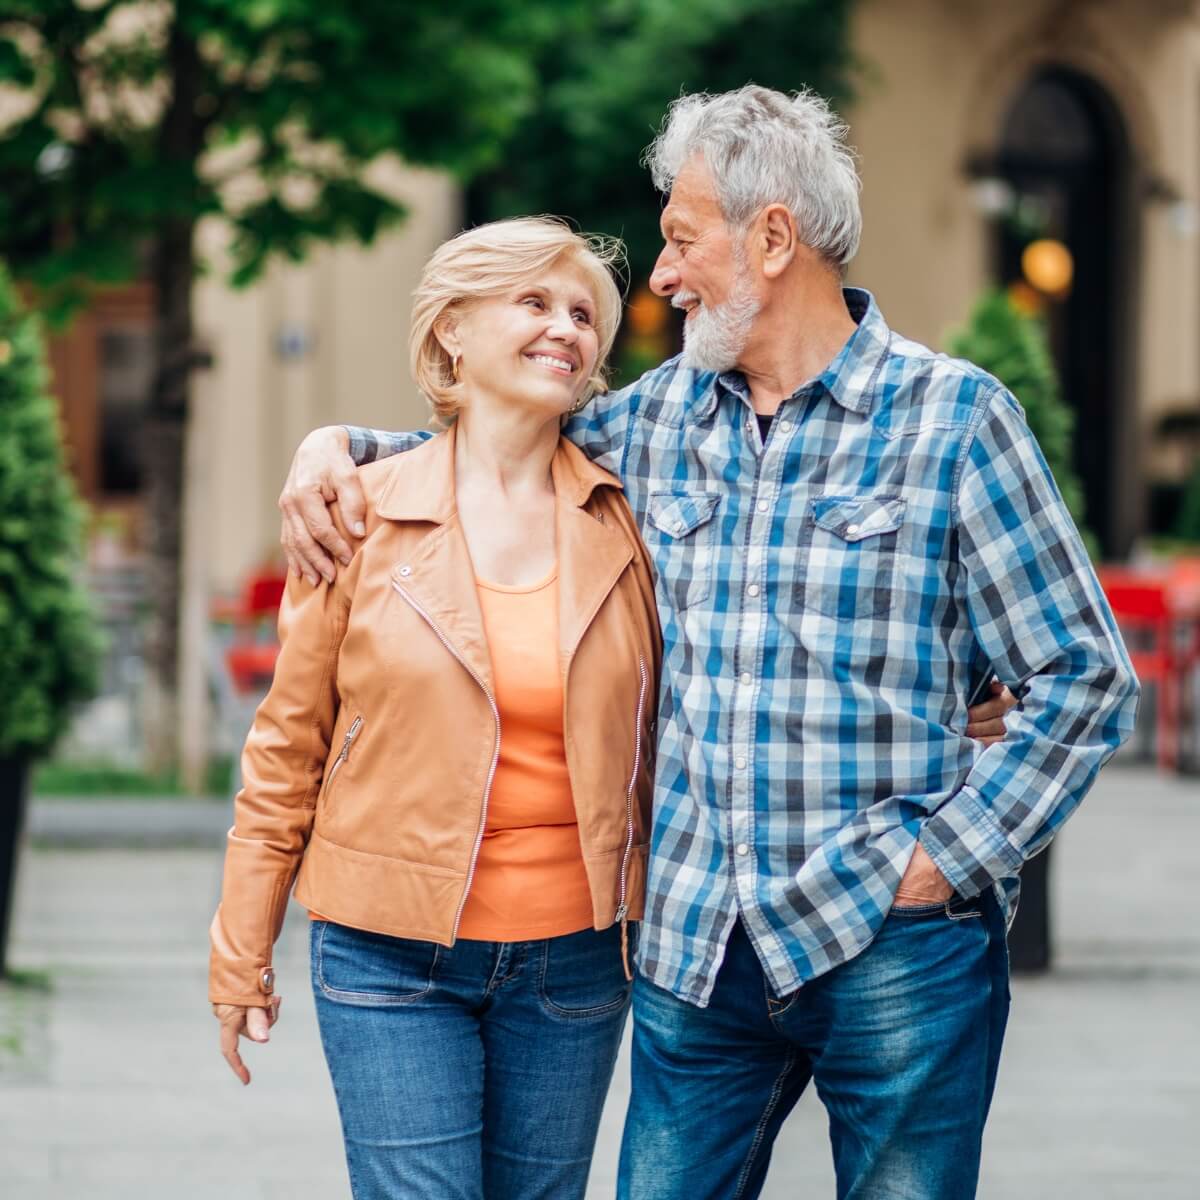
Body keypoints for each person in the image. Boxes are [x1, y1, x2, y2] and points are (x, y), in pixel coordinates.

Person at [278, 87, 1138, 1199]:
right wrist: (330, 448)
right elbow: (479, 446)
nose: (664, 275)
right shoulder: (653, 421)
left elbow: (1082, 676)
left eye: (682, 240)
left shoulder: (956, 421)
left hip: (893, 945)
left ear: (773, 239)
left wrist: (949, 859)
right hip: (695, 949)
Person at [209, 217, 663, 1200]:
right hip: (387, 953)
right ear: (452, 329)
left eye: (583, 313)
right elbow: (288, 749)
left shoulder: (627, 518)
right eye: (533, 302)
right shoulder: (357, 512)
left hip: (576, 961)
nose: (567, 329)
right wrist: (241, 949)